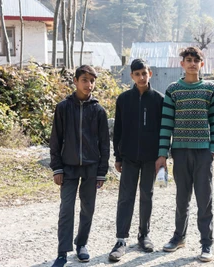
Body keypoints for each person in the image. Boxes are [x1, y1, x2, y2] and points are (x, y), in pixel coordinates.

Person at [155, 46, 214, 262]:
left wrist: (212, 149)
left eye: (196, 60)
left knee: (204, 199)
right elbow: (166, 124)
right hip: (180, 152)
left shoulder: (210, 88)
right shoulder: (173, 90)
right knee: (182, 198)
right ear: (181, 64)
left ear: (202, 64)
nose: (192, 63)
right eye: (188, 60)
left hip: (203, 153)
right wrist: (162, 154)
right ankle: (178, 237)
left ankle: (206, 244)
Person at [49, 65, 110, 267]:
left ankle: (81, 244)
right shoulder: (63, 107)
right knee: (67, 208)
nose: (88, 84)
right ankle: (62, 252)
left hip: (91, 167)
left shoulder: (98, 110)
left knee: (88, 208)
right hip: (68, 167)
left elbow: (104, 143)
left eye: (92, 81)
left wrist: (101, 172)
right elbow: (55, 140)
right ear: (75, 81)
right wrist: (57, 167)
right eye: (84, 80)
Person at [108, 59, 164, 261]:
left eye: (144, 73)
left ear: (150, 73)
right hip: (129, 158)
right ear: (132, 76)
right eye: (137, 74)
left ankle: (144, 235)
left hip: (151, 158)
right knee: (125, 197)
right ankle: (121, 239)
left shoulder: (159, 99)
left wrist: (162, 156)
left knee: (146, 195)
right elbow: (119, 130)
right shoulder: (124, 99)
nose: (141, 77)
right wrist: (118, 156)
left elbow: (164, 131)